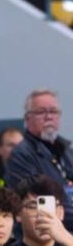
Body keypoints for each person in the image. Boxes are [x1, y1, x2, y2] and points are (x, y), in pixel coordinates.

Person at [6, 89, 73, 228]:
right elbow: (35, 203)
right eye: (41, 112)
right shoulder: (21, 155)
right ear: (27, 118)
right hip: (45, 234)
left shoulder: (67, 150)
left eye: (53, 111)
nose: (49, 117)